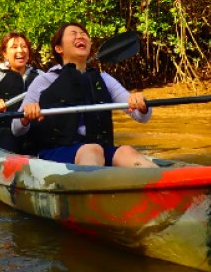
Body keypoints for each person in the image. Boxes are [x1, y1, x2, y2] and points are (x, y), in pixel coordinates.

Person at [11, 22, 158, 168]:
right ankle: (95, 187)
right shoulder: (44, 80)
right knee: (91, 150)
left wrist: (140, 104)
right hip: (57, 152)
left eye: (83, 34)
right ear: (59, 48)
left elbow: (142, 117)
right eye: (73, 34)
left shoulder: (104, 79)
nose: (80, 36)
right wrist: (26, 116)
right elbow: (16, 128)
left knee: (127, 151)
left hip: (100, 150)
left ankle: (161, 183)